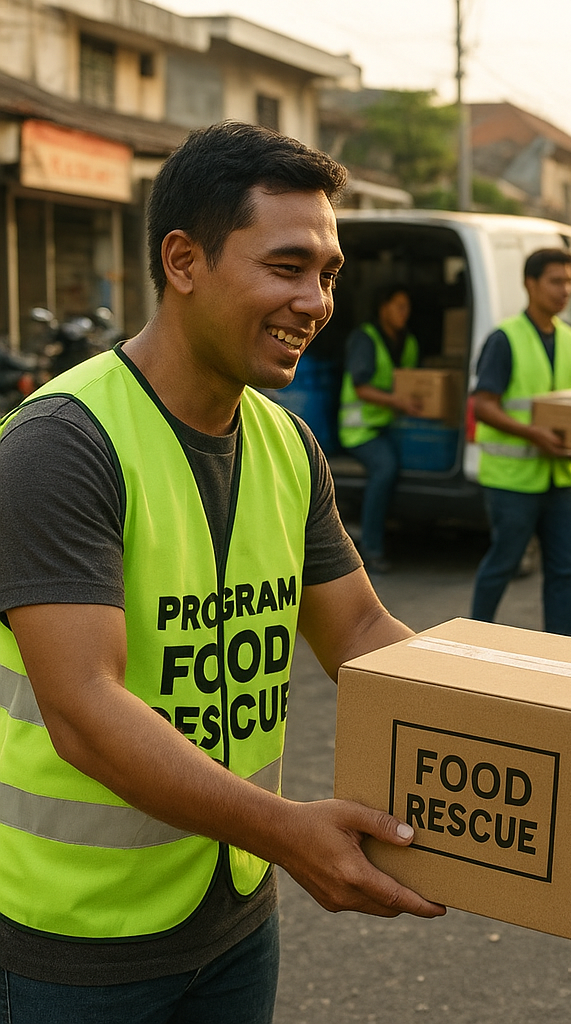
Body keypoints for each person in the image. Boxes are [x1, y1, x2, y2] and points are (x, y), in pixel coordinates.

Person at [0, 122, 444, 1024]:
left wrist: (536, 728)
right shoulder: (60, 445)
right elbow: (85, 708)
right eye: (286, 267)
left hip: (232, 914)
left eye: (327, 274)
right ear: (184, 260)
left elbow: (359, 632)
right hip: (75, 944)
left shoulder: (285, 442)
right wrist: (290, 834)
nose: (315, 302)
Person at [469, 248, 571, 636]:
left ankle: (562, 653)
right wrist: (534, 434)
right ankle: (473, 641)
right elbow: (483, 406)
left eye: (568, 281)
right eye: (555, 281)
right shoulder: (505, 339)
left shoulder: (570, 339)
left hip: (558, 477)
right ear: (530, 284)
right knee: (504, 563)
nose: (564, 290)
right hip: (512, 478)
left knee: (565, 568)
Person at [339, 283, 422, 574]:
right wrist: (398, 401)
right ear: (383, 308)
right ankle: (371, 549)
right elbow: (361, 388)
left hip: (390, 425)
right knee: (385, 468)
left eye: (407, 307)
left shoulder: (408, 342)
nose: (404, 313)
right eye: (399, 306)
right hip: (360, 431)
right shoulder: (366, 338)